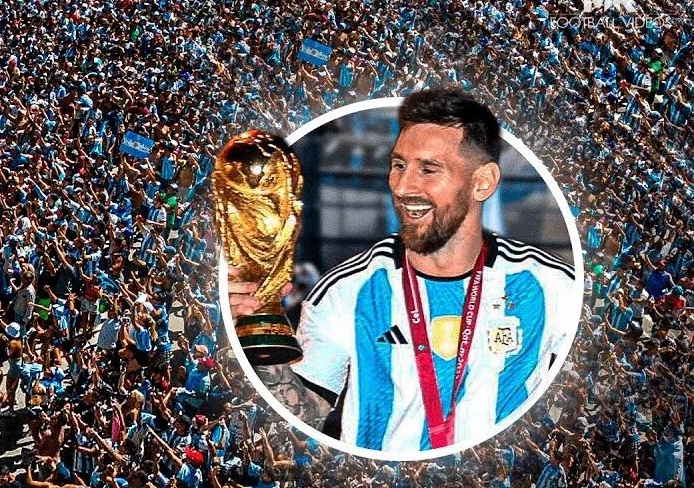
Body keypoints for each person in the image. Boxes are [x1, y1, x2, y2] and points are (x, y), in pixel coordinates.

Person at [229, 86, 577, 454]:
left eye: (429, 169)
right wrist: (254, 334)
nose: (404, 185)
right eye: (398, 165)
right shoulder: (349, 289)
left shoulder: (551, 286)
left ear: (482, 182)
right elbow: (300, 415)